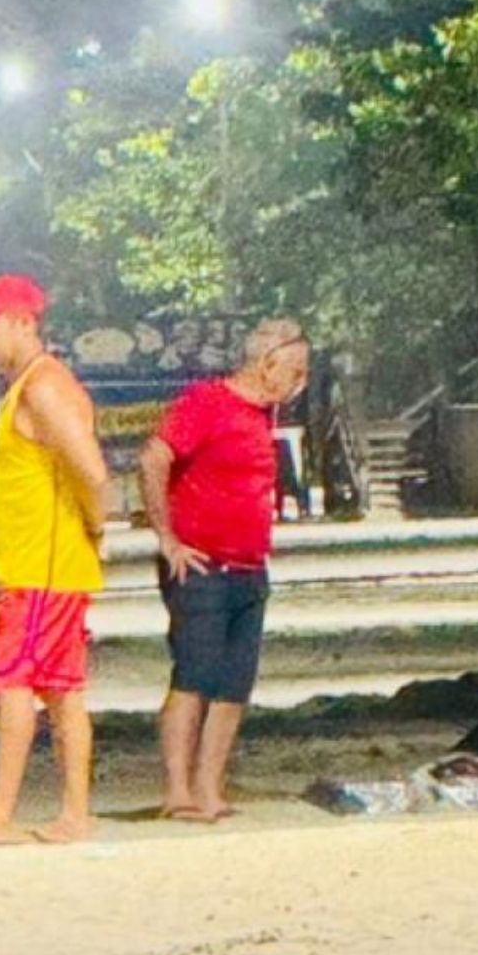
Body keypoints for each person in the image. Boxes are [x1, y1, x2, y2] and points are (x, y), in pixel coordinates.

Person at [0, 274, 108, 847]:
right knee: (63, 690)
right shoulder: (30, 386)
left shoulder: (44, 387)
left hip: (41, 570)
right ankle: (74, 815)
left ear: (22, 322)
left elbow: (92, 471)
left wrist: (93, 525)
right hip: (40, 566)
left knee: (13, 680)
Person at [139, 318, 308, 823]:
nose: (300, 381)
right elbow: (153, 458)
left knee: (234, 683)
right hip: (201, 564)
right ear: (266, 362)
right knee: (194, 676)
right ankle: (178, 789)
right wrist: (167, 538)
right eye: (295, 370)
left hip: (250, 565)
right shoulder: (207, 403)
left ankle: (210, 787)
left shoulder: (264, 414)